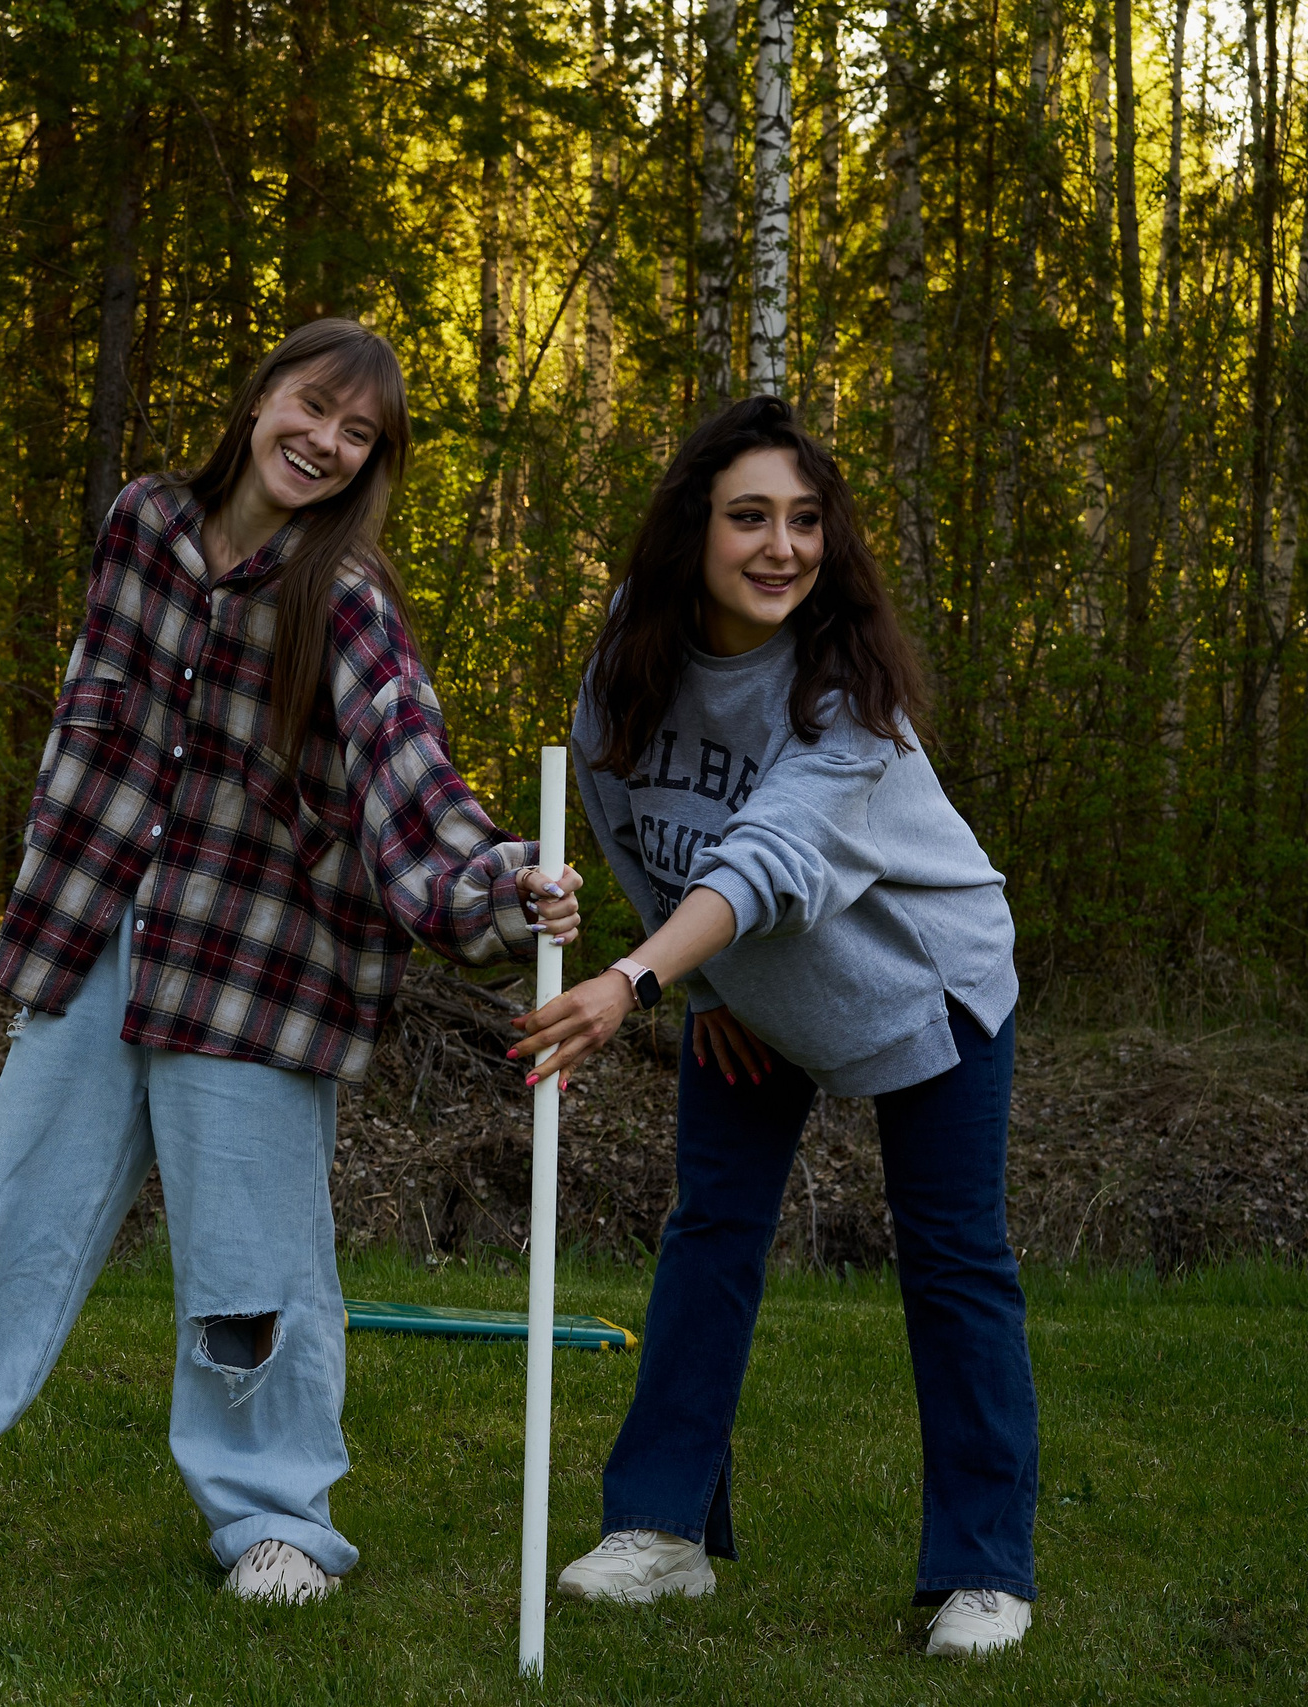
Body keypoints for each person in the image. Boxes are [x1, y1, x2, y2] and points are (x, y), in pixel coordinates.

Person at [0, 319, 584, 1603]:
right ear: (261, 395)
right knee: (15, 1209)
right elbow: (93, 714)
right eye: (312, 407)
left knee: (253, 1264)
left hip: (260, 959)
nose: (325, 445)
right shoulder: (143, 525)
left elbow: (408, 770)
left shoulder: (345, 599)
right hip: (102, 926)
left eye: (358, 436)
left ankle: (275, 1516)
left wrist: (501, 884)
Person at [511, 395, 1038, 1657]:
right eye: (750, 516)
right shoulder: (625, 669)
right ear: (694, 527)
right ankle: (661, 1531)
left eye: (805, 522)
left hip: (925, 982)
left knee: (953, 1258)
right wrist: (701, 986)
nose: (781, 547)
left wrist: (633, 980)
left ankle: (982, 1571)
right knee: (710, 1232)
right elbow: (628, 822)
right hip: (741, 989)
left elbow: (765, 858)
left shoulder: (845, 694)